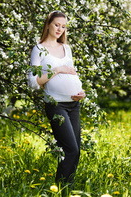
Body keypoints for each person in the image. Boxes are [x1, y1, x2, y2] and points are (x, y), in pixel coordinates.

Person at [28, 11, 85, 190]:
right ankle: (60, 190)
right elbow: (33, 83)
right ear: (48, 25)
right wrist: (57, 70)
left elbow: (73, 74)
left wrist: (80, 91)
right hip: (56, 105)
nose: (60, 29)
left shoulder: (66, 48)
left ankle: (65, 190)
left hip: (73, 104)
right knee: (70, 149)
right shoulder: (39, 49)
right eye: (56, 25)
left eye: (63, 26)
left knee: (75, 151)